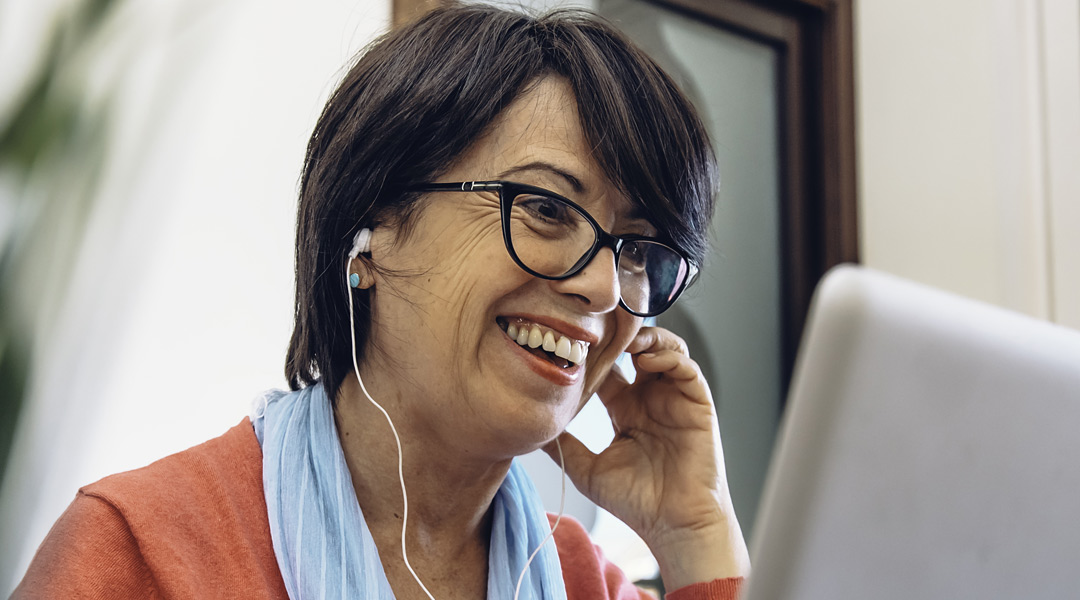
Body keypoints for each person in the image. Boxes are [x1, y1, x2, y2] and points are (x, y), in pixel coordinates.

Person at [15, 4, 750, 598]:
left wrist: (695, 534)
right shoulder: (136, 556)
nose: (600, 286)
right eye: (548, 209)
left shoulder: (589, 586)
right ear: (373, 228)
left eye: (639, 250)